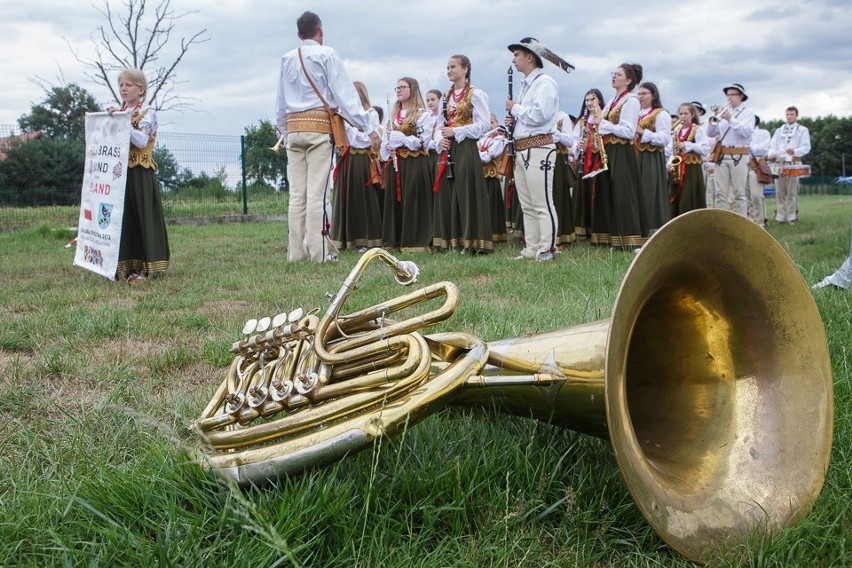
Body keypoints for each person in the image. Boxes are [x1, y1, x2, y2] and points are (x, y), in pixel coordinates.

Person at [275, 11, 380, 263]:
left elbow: (280, 101)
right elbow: (345, 96)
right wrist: (367, 125)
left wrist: (284, 130)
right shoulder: (327, 54)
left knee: (297, 194)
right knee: (317, 194)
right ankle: (318, 253)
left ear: (299, 34)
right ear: (320, 31)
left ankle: (295, 253)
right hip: (319, 130)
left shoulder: (287, 58)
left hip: (294, 129)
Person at [107, 68, 169, 284]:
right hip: (121, 173)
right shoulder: (120, 112)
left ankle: (146, 266)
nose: (124, 88)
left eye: (129, 85)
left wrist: (122, 121)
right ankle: (123, 266)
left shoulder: (148, 113)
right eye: (121, 85)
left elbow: (141, 142)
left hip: (141, 172)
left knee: (142, 216)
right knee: (122, 218)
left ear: (140, 89)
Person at [505, 37, 560, 262]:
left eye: (517, 54)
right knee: (527, 204)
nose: (514, 59)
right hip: (523, 148)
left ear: (530, 57)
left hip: (539, 146)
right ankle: (532, 247)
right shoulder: (527, 85)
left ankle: (547, 248)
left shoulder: (545, 83)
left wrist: (515, 109)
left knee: (541, 201)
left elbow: (541, 114)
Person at [433, 54, 493, 254]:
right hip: (449, 147)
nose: (449, 70)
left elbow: (483, 125)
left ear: (465, 69)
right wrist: (439, 139)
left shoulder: (476, 94)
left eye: (453, 67)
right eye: (447, 67)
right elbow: (439, 124)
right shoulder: (446, 97)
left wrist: (457, 131)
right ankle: (454, 240)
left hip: (466, 147)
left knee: (467, 192)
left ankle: (472, 241)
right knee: (450, 193)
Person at [591, 63, 646, 248]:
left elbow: (629, 131)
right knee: (608, 191)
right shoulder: (613, 101)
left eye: (618, 74)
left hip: (622, 151)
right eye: (613, 73)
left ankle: (629, 236)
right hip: (609, 150)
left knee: (623, 192)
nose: (614, 77)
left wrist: (603, 124)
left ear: (628, 80)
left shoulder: (631, 100)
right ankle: (609, 235)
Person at [381, 77, 434, 252]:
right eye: (397, 87)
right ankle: (395, 240)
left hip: (414, 163)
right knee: (395, 201)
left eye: (402, 87)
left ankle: (415, 241)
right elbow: (386, 140)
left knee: (413, 200)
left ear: (412, 89)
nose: (398, 90)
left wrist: (403, 139)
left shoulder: (422, 115)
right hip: (396, 164)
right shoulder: (392, 117)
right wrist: (388, 146)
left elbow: (424, 141)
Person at [330, 81, 383, 252]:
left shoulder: (370, 113)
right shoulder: (343, 114)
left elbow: (367, 139)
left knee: (362, 198)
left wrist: (351, 132)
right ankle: (345, 239)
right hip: (346, 158)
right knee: (345, 197)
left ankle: (367, 239)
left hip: (361, 158)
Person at [705, 83, 755, 218]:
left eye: (733, 95)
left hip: (739, 155)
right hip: (722, 155)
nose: (730, 98)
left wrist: (730, 119)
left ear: (741, 96)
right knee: (721, 193)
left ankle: (741, 222)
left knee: (739, 193)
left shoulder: (748, 113)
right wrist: (714, 120)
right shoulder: (724, 112)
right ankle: (722, 221)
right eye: (728, 95)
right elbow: (710, 133)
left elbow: (746, 132)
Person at [635, 82, 671, 235]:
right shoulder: (636, 113)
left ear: (653, 95)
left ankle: (650, 228)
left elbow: (664, 139)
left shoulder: (660, 113)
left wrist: (643, 132)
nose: (640, 96)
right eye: (639, 93)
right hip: (635, 155)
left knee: (648, 190)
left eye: (644, 93)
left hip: (650, 157)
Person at [571, 89, 605, 239]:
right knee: (583, 192)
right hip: (584, 161)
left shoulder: (604, 117)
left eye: (593, 99)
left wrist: (591, 145)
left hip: (598, 160)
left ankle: (599, 228)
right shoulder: (582, 121)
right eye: (587, 100)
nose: (590, 103)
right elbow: (574, 140)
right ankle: (583, 228)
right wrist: (579, 147)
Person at [769, 106, 811, 224]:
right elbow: (773, 145)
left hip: (793, 162)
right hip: (780, 163)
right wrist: (771, 153)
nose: (789, 116)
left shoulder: (802, 130)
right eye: (787, 114)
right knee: (780, 191)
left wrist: (795, 151)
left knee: (792, 191)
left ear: (796, 115)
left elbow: (806, 147)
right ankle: (780, 216)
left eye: (791, 114)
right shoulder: (779, 130)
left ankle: (792, 216)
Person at [669, 103, 710, 217]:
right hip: (678, 167)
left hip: (692, 168)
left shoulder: (697, 129)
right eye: (680, 113)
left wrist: (688, 145)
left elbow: (705, 149)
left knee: (688, 198)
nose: (683, 116)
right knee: (677, 197)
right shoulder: (677, 130)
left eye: (686, 113)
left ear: (692, 115)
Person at [478, 114, 509, 244]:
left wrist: (474, 154)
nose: (490, 125)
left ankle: (495, 234)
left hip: (491, 176)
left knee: (491, 205)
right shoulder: (482, 138)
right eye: (487, 122)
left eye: (492, 122)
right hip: (481, 176)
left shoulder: (500, 139)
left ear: (497, 122)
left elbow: (488, 157)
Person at [552, 109, 577, 248]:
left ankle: (560, 235)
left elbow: (569, 141)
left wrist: (555, 133)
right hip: (539, 157)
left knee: (557, 196)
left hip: (556, 159)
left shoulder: (562, 116)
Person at [747, 115, 772, 227]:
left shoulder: (763, 133)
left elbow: (762, 150)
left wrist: (748, 146)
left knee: (756, 195)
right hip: (741, 166)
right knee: (744, 197)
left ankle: (760, 222)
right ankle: (750, 222)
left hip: (755, 167)